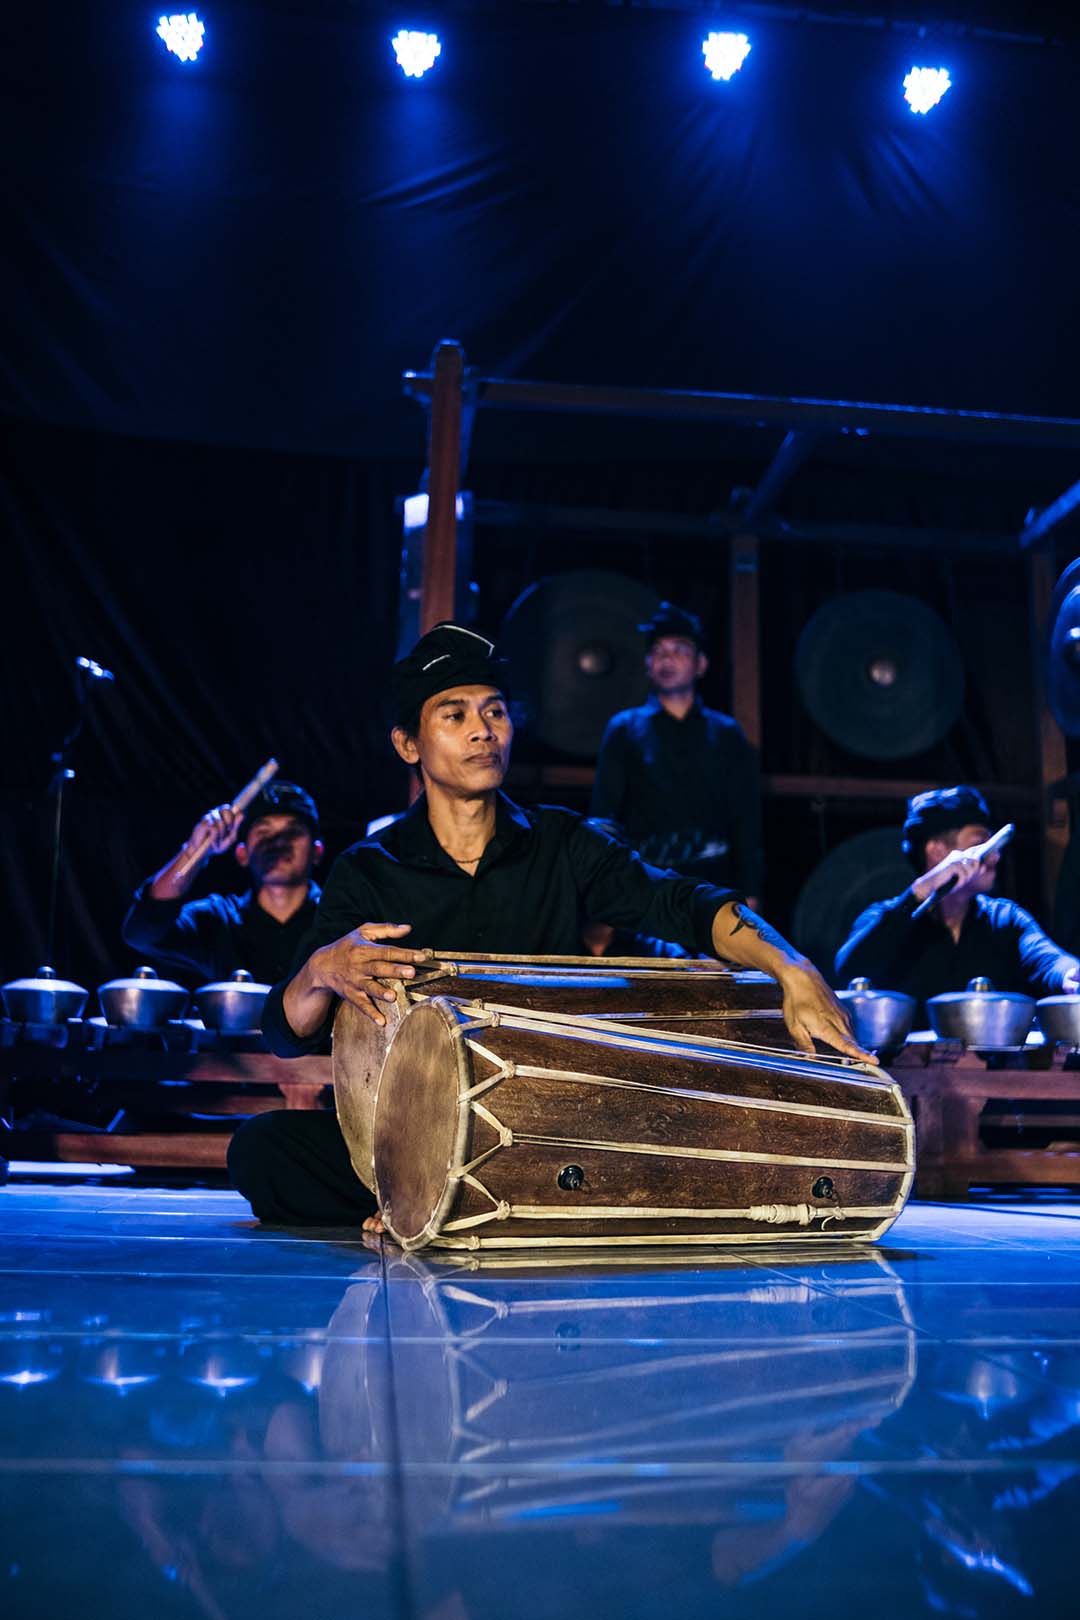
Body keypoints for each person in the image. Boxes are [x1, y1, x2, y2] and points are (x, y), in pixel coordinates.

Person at [227, 622, 867, 1230]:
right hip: (417, 1132)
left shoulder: (563, 843)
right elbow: (287, 1033)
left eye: (494, 712)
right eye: (455, 715)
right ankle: (424, 1197)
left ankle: (442, 1208)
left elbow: (682, 904)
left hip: (552, 1127)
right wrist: (320, 971)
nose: (483, 731)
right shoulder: (369, 868)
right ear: (408, 744)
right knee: (264, 1151)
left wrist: (792, 967)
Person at [835, 785, 1080, 1019]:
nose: (995, 856)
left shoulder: (1005, 917)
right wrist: (921, 891)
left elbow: (1047, 959)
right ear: (937, 851)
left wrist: (1071, 974)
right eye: (980, 844)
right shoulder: (886, 917)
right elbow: (849, 969)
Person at [590, 602, 764, 907]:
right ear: (647, 663)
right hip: (646, 883)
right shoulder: (625, 729)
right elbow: (605, 815)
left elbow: (746, 818)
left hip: (714, 882)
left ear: (701, 664)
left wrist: (751, 893)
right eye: (658, 651)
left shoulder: (725, 733)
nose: (667, 659)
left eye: (679, 650)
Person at [122, 780, 323, 986]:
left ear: (317, 851)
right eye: (264, 833)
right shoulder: (220, 919)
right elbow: (142, 934)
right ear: (242, 854)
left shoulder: (336, 920)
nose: (278, 842)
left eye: (292, 832)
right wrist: (194, 851)